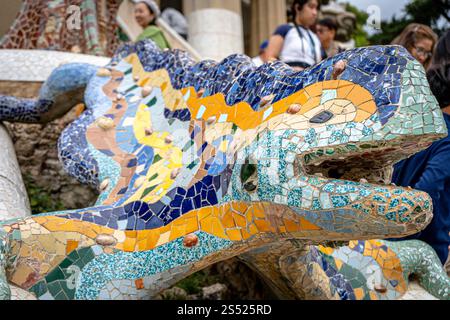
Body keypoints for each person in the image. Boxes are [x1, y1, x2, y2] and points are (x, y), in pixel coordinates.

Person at [390, 30, 450, 267]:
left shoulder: (418, 127)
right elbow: (425, 194)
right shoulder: (446, 139)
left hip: (389, 244)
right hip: (421, 256)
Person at [266, 0, 322, 71]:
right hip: (288, 78)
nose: (315, 13)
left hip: (311, 79)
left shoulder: (315, 38)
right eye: (311, 7)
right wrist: (288, 71)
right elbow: (269, 57)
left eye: (316, 8)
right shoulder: (285, 29)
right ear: (298, 7)